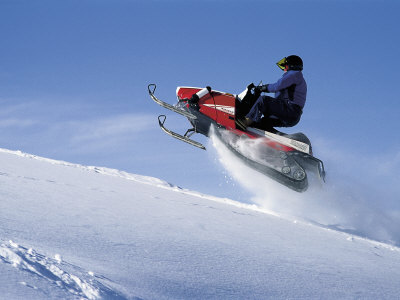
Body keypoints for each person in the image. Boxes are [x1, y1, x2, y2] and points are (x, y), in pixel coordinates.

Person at [235, 55, 307, 131]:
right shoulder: (298, 79)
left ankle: (244, 123)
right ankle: (264, 136)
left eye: (285, 66)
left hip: (289, 110)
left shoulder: (294, 74)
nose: (284, 70)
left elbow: (277, 86)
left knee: (264, 100)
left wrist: (262, 88)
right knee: (263, 122)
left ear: (291, 65)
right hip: (291, 115)